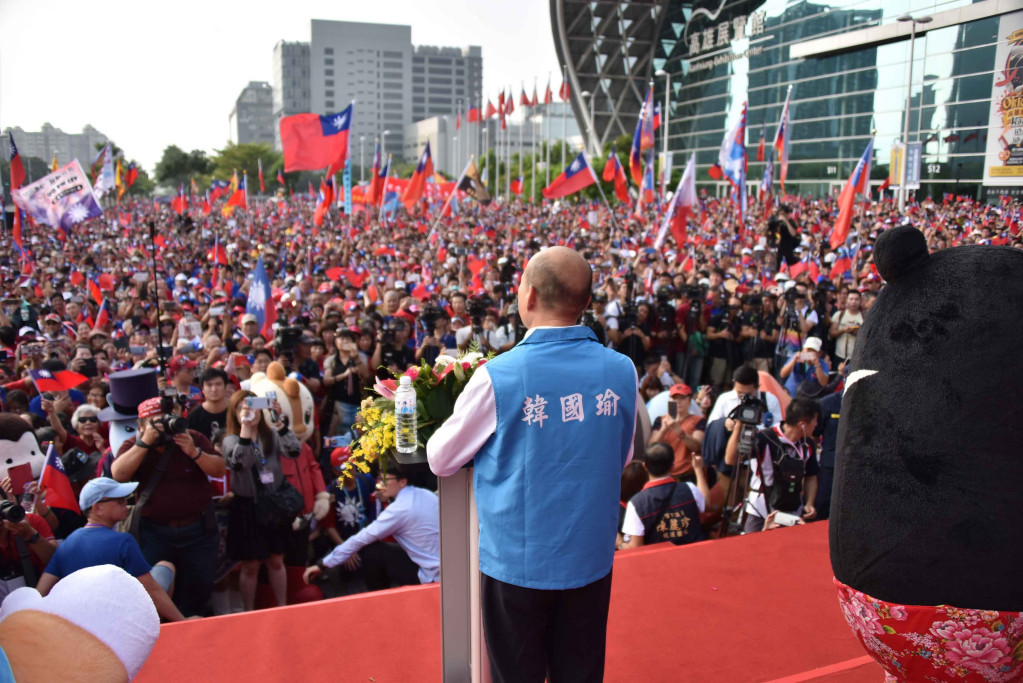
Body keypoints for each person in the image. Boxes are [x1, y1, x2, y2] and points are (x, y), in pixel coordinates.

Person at [427, 246, 638, 683]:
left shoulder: (499, 375)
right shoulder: (621, 370)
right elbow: (626, 454)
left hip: (517, 564)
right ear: (583, 303)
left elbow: (441, 458)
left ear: (531, 295)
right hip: (590, 559)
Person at [110, 396, 225, 617]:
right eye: (155, 422)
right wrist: (145, 443)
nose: (163, 427)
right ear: (141, 426)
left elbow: (219, 469)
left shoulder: (192, 438)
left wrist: (194, 452)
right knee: (156, 589)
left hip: (198, 530)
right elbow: (118, 474)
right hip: (155, 533)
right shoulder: (133, 445)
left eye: (166, 419)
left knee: (199, 588)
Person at [34, 477, 186, 622]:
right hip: (126, 622)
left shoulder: (67, 544)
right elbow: (152, 590)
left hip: (84, 626)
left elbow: (40, 592)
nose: (126, 505)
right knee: (166, 567)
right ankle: (160, 629)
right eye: (119, 501)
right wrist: (182, 621)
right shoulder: (123, 541)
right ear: (97, 508)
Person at [220, 390, 301, 611]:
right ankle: (249, 612)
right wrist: (246, 430)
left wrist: (280, 423)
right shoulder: (229, 440)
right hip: (247, 507)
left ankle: (283, 607)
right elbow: (239, 463)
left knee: (276, 560)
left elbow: (293, 451)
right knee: (250, 565)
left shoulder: (270, 435)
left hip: (274, 505)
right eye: (242, 408)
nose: (249, 412)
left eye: (253, 407)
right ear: (234, 414)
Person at [303, 460, 439, 592]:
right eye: (379, 479)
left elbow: (362, 538)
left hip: (431, 575)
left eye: (385, 480)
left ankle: (380, 597)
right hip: (441, 564)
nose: (380, 484)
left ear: (402, 482)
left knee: (369, 549)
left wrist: (323, 564)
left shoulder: (399, 509)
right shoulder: (426, 494)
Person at [723, 395, 820, 533]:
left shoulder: (807, 445)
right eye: (814, 421)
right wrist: (739, 426)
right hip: (760, 512)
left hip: (792, 512)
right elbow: (730, 460)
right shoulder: (764, 439)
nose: (816, 424)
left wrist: (809, 503)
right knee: (753, 551)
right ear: (802, 425)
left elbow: (811, 476)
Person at [618, 443, 707, 549]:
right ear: (673, 465)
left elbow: (636, 548)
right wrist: (698, 471)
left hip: (660, 562)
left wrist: (620, 544)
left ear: (645, 466)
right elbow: (706, 503)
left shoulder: (636, 503)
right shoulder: (690, 489)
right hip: (693, 557)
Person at [648, 383, 705, 477]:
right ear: (670, 401)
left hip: (686, 472)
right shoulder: (661, 420)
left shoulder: (698, 421)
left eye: (682, 398)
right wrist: (663, 430)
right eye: (674, 398)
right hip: (662, 472)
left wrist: (680, 432)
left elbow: (697, 446)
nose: (678, 402)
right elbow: (650, 447)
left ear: (689, 401)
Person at [185, 367, 230, 444]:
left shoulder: (236, 410)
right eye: (209, 385)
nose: (214, 389)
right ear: (202, 389)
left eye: (218, 384)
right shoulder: (194, 417)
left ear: (225, 387)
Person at [829, 289, 863, 365]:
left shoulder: (864, 317)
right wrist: (843, 330)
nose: (853, 302)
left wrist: (855, 333)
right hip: (839, 356)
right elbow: (831, 333)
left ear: (860, 301)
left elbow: (867, 337)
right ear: (847, 300)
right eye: (851, 299)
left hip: (856, 358)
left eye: (856, 299)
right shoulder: (839, 315)